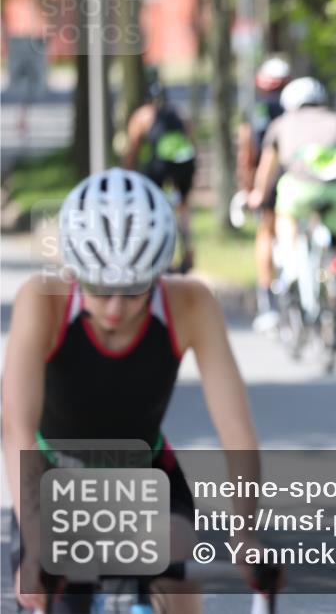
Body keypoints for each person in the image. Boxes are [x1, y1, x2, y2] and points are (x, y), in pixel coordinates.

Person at [2, 169, 267, 613]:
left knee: (183, 565)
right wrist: (33, 545)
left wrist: (244, 532)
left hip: (146, 472)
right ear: (72, 271)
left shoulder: (191, 304)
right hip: (53, 478)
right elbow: (17, 429)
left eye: (133, 290)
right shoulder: (42, 301)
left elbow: (237, 432)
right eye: (99, 288)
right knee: (47, 586)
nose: (115, 307)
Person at [246, 77, 336, 336]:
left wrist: (258, 194)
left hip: (300, 189)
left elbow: (267, 168)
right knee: (335, 244)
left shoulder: (281, 124)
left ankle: (291, 264)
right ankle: (335, 268)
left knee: (285, 216)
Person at [123, 71, 198, 273]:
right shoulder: (179, 112)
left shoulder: (142, 115)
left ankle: (150, 250)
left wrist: (127, 176)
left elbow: (132, 151)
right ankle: (188, 251)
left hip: (162, 164)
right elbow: (191, 141)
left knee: (148, 202)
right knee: (183, 206)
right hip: (185, 161)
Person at [236, 57, 291, 324]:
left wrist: (249, 187)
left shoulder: (255, 112)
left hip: (266, 180)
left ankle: (266, 295)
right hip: (296, 178)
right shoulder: (294, 110)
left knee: (266, 233)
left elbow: (247, 151)